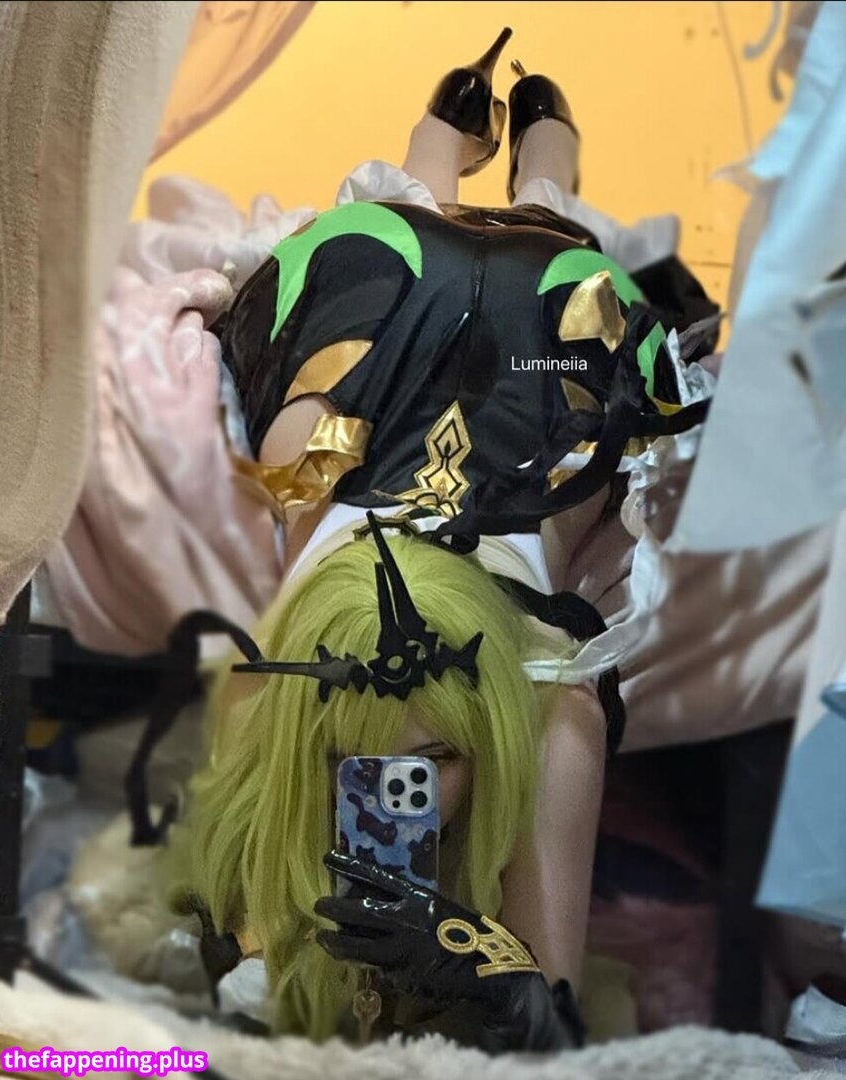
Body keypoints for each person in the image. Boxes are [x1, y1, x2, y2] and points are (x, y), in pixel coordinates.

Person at [169, 27, 714, 1051]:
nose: (394, 794)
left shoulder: (548, 712)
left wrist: (494, 985)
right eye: (357, 756)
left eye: (437, 760)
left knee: (456, 283)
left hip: (445, 327)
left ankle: (510, 149)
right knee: (460, 284)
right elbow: (229, 983)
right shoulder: (271, 696)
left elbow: (550, 1026)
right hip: (490, 347)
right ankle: (498, 144)